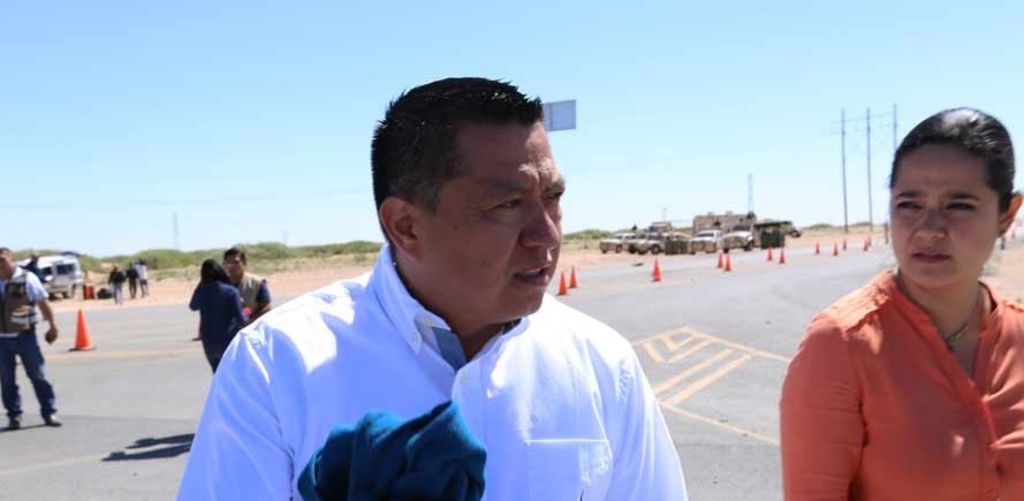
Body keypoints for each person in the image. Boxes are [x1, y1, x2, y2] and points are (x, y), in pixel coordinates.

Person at [179, 78, 687, 499]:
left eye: (552, 198)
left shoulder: (603, 364)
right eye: (508, 205)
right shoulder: (274, 365)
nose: (547, 234)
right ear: (406, 226)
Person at [780, 108, 1024, 500]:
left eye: (959, 205)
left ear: (1006, 215)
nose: (929, 229)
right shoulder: (841, 345)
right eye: (909, 205)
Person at [0, 247, 62, 430]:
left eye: (2, 259)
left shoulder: (28, 278)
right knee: (7, 380)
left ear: (11, 259)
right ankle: (14, 416)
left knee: (38, 375)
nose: (0, 264)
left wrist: (52, 326)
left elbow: (43, 302)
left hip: (25, 336)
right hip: (2, 340)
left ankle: (49, 411)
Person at [188, 259, 247, 372]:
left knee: (217, 373)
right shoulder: (231, 291)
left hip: (209, 342)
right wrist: (248, 314)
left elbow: (193, 306)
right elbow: (240, 319)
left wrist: (201, 284)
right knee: (233, 373)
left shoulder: (202, 291)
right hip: (227, 339)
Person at [221, 247, 270, 322]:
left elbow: (266, 307)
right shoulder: (219, 285)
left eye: (236, 262)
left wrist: (251, 322)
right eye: (228, 263)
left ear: (244, 264)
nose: (232, 266)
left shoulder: (257, 283)